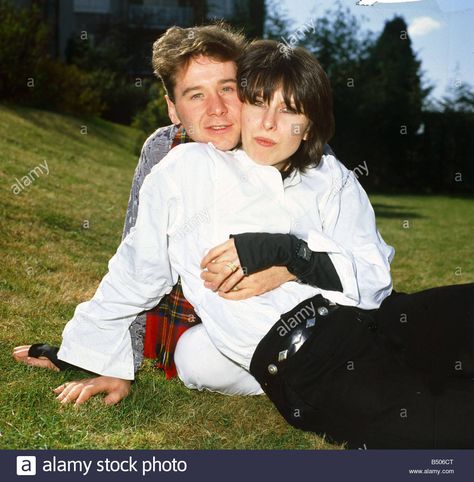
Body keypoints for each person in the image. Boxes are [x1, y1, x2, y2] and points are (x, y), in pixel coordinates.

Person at [16, 39, 474, 448]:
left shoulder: (329, 175)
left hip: (380, 319)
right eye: (259, 103)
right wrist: (92, 355)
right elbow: (137, 271)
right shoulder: (185, 168)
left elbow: (373, 280)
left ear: (311, 126)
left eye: (289, 110)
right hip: (308, 359)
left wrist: (290, 256)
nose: (268, 123)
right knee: (445, 425)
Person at [13, 23, 299, 402]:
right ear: (172, 108)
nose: (217, 109)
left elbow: (337, 243)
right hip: (195, 323)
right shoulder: (164, 149)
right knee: (193, 359)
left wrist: (286, 267)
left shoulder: (282, 138)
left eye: (227, 88)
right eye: (195, 95)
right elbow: (137, 255)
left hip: (289, 311)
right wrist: (112, 362)